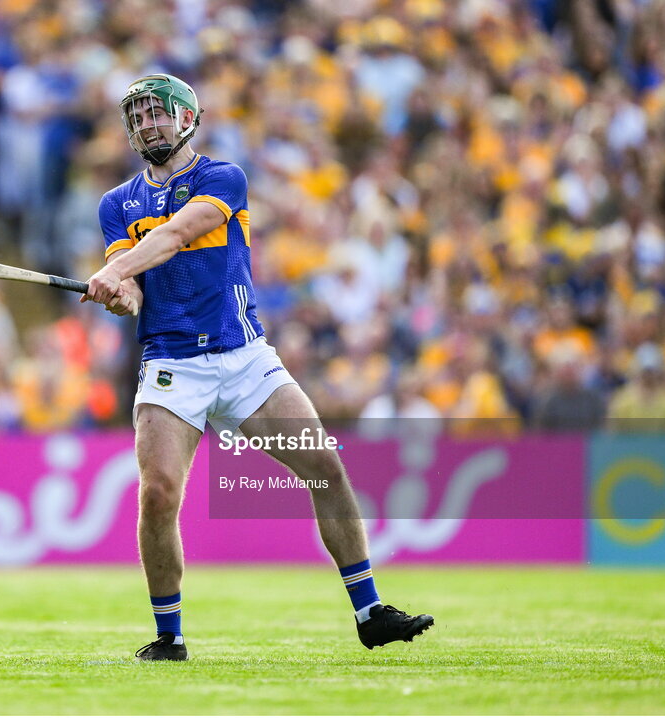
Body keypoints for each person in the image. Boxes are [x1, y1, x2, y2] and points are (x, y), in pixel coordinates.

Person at [82, 74, 433, 661]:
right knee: (158, 494)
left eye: (159, 115)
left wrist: (116, 271)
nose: (149, 126)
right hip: (171, 362)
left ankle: (371, 611)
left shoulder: (223, 178)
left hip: (243, 357)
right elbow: (135, 290)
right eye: (139, 118)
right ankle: (169, 638)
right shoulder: (117, 204)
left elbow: (175, 235)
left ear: (189, 119)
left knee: (323, 464)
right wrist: (121, 292)